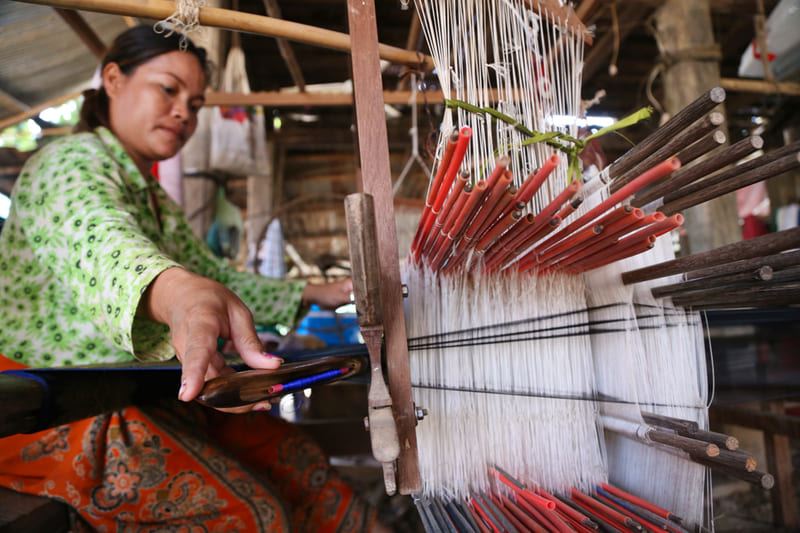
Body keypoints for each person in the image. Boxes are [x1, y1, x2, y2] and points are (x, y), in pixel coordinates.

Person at [0, 26, 378, 532]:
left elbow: (213, 276)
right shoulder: (67, 164)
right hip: (45, 404)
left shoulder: (153, 198)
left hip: (133, 395)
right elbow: (100, 241)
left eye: (195, 103)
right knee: (248, 516)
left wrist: (319, 292)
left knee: (302, 465)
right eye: (168, 89)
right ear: (113, 79)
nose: (184, 112)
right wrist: (178, 294)